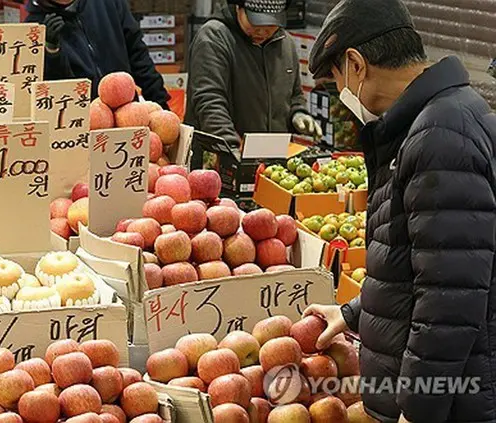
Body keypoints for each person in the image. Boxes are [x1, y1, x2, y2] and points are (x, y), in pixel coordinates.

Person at [304, 0, 496, 422]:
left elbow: (450, 297)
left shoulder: (442, 134)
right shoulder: (429, 122)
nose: (340, 94)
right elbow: (419, 259)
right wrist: (355, 312)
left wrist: (418, 409)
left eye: (336, 78)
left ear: (355, 64)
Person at [185, 0, 321, 167]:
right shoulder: (214, 38)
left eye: (271, 24)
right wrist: (231, 150)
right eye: (256, 22)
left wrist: (298, 113)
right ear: (238, 8)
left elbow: (294, 95)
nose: (263, 31)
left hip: (272, 164)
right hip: (220, 163)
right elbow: (210, 101)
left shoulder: (285, 44)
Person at [25, 0, 170, 108]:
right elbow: (51, 94)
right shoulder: (33, 29)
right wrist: (52, 52)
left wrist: (160, 103)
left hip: (128, 116)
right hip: (80, 128)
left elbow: (137, 54)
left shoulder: (108, 3)